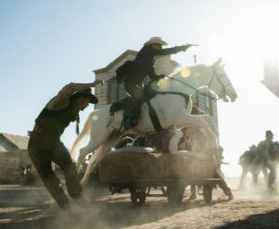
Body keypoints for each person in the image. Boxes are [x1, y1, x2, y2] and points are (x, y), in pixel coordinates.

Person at [28, 80, 102, 210]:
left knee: (69, 166)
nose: (86, 106)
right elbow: (70, 87)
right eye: (87, 102)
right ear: (80, 98)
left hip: (53, 143)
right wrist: (91, 84)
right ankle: (66, 207)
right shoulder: (62, 101)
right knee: (49, 178)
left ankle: (76, 196)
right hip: (37, 146)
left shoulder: (74, 111)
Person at [120, 37, 193, 130]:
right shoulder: (146, 51)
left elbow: (152, 75)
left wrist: (160, 77)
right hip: (130, 83)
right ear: (153, 45)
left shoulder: (148, 60)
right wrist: (182, 48)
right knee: (139, 96)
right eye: (159, 46)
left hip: (138, 84)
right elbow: (164, 52)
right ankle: (130, 120)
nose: (160, 49)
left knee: (149, 94)